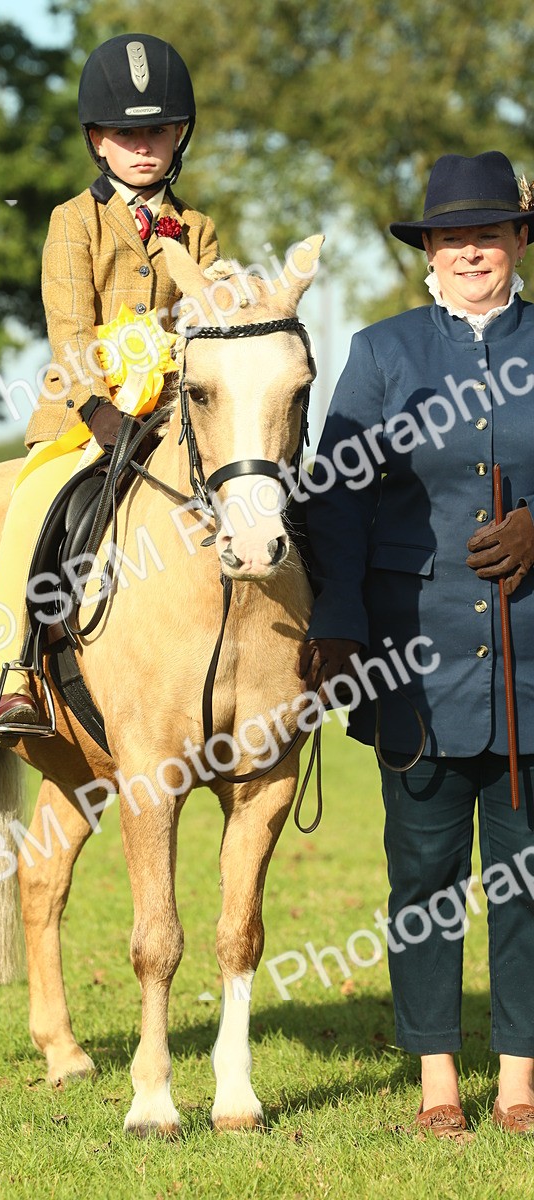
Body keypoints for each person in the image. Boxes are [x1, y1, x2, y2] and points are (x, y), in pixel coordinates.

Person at [298, 151, 534, 1136]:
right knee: (424, 878)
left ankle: (518, 1081)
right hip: (415, 662)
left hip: (530, 660)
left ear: (518, 240)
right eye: (451, 237)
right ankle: (438, 1077)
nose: (470, 251)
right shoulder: (381, 351)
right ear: (427, 251)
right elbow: (334, 500)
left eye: (487, 233)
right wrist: (339, 626)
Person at [0, 33, 219, 740]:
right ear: (97, 141)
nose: (143, 147)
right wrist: (96, 405)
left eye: (157, 132)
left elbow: (204, 323)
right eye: (126, 134)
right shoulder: (72, 220)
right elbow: (69, 325)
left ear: (179, 136)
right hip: (84, 416)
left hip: (170, 417)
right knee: (32, 505)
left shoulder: (198, 229)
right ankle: (14, 672)